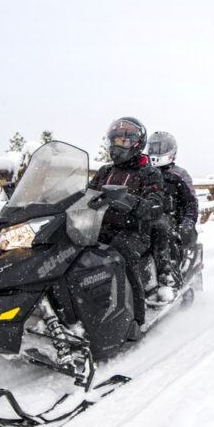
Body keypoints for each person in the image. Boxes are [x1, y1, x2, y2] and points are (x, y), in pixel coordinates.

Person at [89, 117, 165, 326]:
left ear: (137, 143)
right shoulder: (105, 171)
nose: (118, 146)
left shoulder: (149, 173)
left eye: (124, 141)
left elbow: (156, 207)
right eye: (115, 141)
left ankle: (135, 316)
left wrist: (130, 201)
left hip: (135, 231)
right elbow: (85, 195)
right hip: (99, 227)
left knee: (119, 251)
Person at [146, 131, 198, 287]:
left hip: (172, 220)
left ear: (171, 150)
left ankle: (169, 276)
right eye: (153, 148)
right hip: (146, 215)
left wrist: (188, 222)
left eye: (161, 148)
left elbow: (191, 202)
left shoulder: (179, 174)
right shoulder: (145, 172)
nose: (156, 152)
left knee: (162, 232)